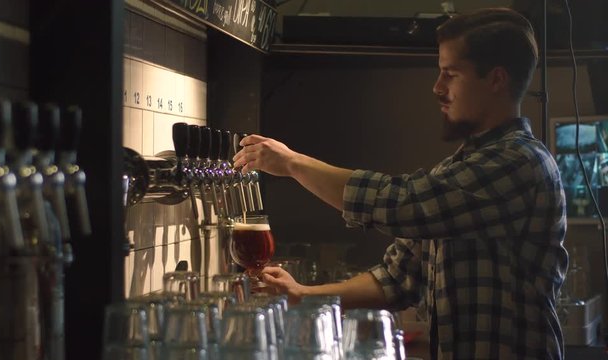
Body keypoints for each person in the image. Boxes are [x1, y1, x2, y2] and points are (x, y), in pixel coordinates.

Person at [233, 7, 567, 360]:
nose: (437, 88)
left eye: (450, 74)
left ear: (496, 80)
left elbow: (402, 204)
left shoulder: (519, 163)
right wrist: (302, 294)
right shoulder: (459, 167)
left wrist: (292, 163)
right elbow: (398, 277)